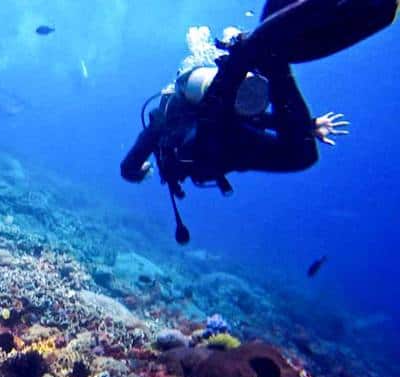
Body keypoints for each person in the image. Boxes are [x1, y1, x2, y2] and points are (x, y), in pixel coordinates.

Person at [121, 0, 399, 244]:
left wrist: (138, 171)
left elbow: (128, 166)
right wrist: (305, 125)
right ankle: (267, 57)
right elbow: (254, 118)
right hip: (227, 136)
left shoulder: (166, 114)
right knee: (297, 148)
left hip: (217, 146)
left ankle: (265, 54)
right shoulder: (171, 112)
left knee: (299, 154)